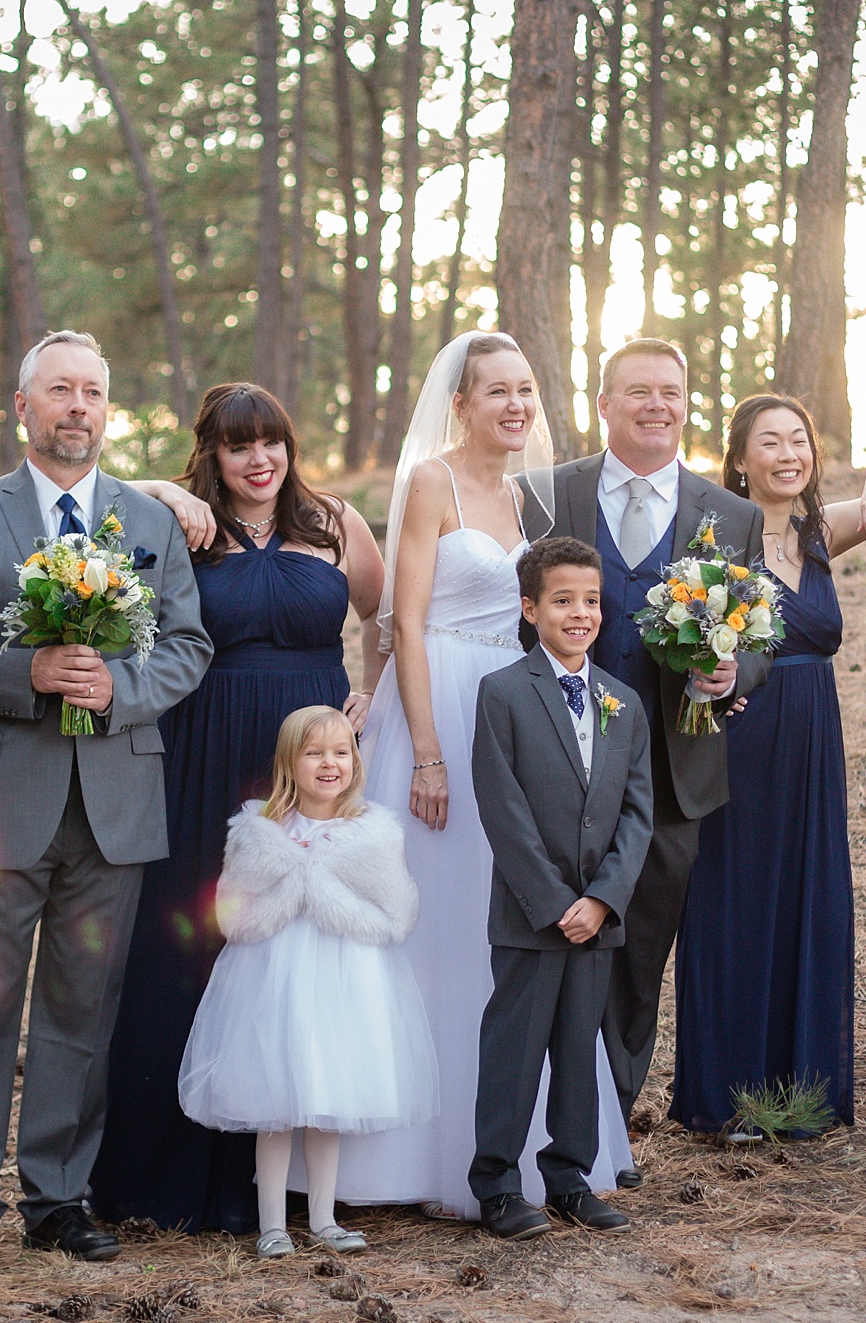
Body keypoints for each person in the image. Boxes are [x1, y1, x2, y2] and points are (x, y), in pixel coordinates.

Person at [0, 330, 212, 1274]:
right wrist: (26, 670)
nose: (77, 406)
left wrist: (123, 687)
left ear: (106, 410)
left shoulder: (147, 522)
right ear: (23, 406)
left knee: (84, 1007)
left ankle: (56, 1195)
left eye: (91, 392)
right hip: (1, 801)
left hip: (115, 803)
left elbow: (188, 646)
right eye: (59, 391)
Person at [334, 331, 634, 1221]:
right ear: (459, 403)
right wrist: (426, 751)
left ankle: (532, 1148)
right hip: (439, 708)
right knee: (436, 921)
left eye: (527, 390)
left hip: (516, 710)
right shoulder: (431, 482)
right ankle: (410, 1153)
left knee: (508, 919)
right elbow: (407, 624)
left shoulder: (531, 498)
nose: (515, 405)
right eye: (495, 390)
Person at [90, 385, 384, 1235]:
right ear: (211, 455)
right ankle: (168, 1173)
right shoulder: (183, 525)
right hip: (204, 753)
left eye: (273, 443)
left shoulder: (331, 522)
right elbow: (101, 505)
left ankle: (289, 1181)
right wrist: (165, 491)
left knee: (295, 952)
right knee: (193, 937)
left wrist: (369, 692)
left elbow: (386, 615)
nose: (260, 461)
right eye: (238, 446)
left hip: (306, 762)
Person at [531, 338, 767, 1139]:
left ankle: (610, 1122)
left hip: (673, 766)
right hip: (558, 758)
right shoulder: (547, 494)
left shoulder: (729, 515)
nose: (657, 404)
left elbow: (761, 636)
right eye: (638, 391)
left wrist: (734, 675)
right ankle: (547, 1116)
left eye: (671, 390)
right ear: (605, 404)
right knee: (554, 937)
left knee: (640, 951)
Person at [670, 395, 866, 1135]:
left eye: (799, 440)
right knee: (737, 903)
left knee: (807, 898)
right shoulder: (714, 536)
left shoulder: (821, 531)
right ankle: (731, 1093)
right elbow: (686, 637)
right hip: (741, 737)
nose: (788, 454)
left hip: (812, 736)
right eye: (769, 442)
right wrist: (709, 681)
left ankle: (802, 1088)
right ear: (740, 459)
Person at [176, 707, 436, 1259]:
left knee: (329, 1088)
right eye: (314, 753)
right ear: (290, 763)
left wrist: (317, 878)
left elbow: (396, 913)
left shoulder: (372, 832)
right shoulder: (258, 830)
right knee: (273, 1094)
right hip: (275, 980)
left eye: (341, 753)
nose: (329, 764)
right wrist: (294, 875)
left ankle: (323, 1217)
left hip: (346, 981)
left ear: (355, 761)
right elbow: (234, 912)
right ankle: (272, 1223)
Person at [468, 536, 652, 1241]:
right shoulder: (504, 693)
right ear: (530, 607)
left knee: (581, 1047)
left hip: (598, 916)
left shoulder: (623, 702)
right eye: (564, 600)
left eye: (592, 601)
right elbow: (503, 808)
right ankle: (497, 1184)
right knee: (514, 1050)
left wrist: (603, 898)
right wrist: (554, 903)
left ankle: (571, 1176)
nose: (581, 614)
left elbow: (638, 813)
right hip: (531, 915)